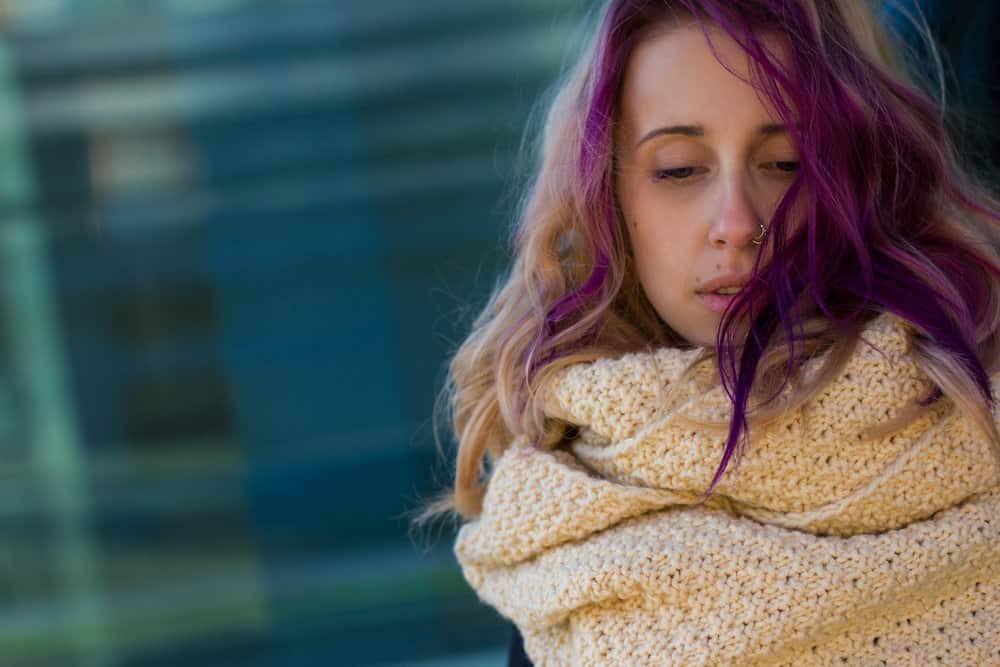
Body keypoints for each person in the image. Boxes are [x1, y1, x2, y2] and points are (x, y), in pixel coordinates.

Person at [414, 0, 1000, 664]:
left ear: (858, 177)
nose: (737, 220)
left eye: (784, 163)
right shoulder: (567, 535)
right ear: (608, 196)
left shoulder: (983, 422)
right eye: (680, 169)